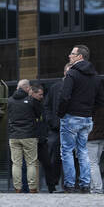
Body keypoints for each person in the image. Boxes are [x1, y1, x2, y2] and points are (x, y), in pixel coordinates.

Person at [57, 45, 104, 193]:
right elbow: (101, 100)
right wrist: (88, 110)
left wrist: (61, 113)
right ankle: (85, 184)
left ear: (79, 57)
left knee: (67, 151)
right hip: (86, 118)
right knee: (82, 151)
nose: (69, 56)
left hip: (71, 117)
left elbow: (65, 96)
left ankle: (70, 184)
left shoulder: (72, 73)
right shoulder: (95, 76)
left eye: (72, 54)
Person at [7, 79, 42, 193]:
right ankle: (32, 188)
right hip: (29, 135)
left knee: (16, 163)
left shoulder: (9, 101)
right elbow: (39, 114)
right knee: (31, 163)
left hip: (14, 136)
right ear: (27, 88)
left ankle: (17, 188)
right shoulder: (31, 100)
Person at [42, 65, 68, 193]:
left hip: (72, 129)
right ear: (64, 72)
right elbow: (46, 106)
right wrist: (51, 121)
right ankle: (54, 184)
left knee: (73, 157)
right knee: (54, 157)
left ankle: (71, 184)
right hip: (56, 129)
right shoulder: (55, 87)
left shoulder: (77, 87)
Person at [86, 89, 104, 194]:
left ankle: (97, 188)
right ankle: (94, 187)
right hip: (103, 136)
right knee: (96, 162)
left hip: (92, 136)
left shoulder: (89, 105)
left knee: (92, 163)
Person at [29, 83, 53, 192]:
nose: (42, 96)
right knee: (34, 165)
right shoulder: (30, 104)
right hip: (35, 138)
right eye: (40, 94)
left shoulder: (40, 104)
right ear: (33, 93)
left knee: (46, 164)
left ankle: (50, 187)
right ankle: (33, 188)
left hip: (41, 139)